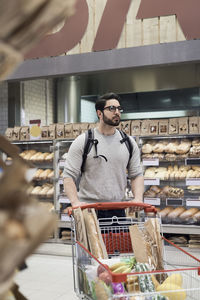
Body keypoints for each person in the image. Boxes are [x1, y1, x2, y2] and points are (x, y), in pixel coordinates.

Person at [63, 92, 144, 217]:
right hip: (89, 210)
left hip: (118, 209)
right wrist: (75, 202)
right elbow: (68, 176)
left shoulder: (128, 142)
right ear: (99, 113)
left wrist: (138, 198)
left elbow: (137, 175)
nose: (117, 112)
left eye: (119, 108)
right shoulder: (83, 141)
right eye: (112, 108)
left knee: (117, 238)